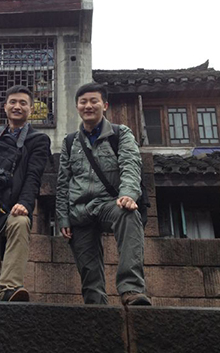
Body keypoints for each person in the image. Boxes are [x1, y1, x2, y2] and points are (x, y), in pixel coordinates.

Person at [55, 82, 151, 306]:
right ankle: (96, 308)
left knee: (128, 215)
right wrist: (62, 217)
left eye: (93, 101)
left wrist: (128, 195)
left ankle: (131, 289)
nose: (88, 106)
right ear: (77, 107)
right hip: (80, 210)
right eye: (83, 102)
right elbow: (63, 182)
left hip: (110, 204)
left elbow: (130, 165)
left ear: (104, 105)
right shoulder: (69, 142)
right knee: (89, 273)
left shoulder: (120, 133)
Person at [0, 85, 51, 302]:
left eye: (23, 103)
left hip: (14, 205)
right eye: (13, 102)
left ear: (31, 109)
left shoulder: (38, 140)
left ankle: (11, 287)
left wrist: (25, 203)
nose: (17, 106)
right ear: (5, 107)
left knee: (20, 223)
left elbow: (33, 176)